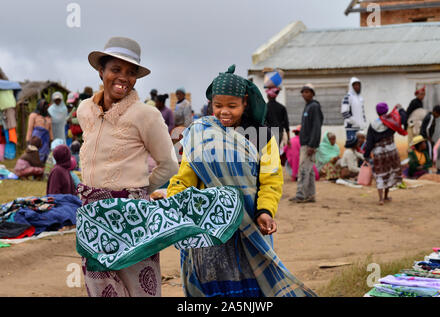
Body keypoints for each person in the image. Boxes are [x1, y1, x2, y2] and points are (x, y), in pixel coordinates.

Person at [167, 65, 315, 297]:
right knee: (212, 288)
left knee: (254, 289)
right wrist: (173, 200)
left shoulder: (262, 137)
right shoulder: (200, 133)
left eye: (232, 106)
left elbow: (271, 180)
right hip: (209, 230)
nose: (224, 111)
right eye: (218, 105)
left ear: (245, 103)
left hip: (250, 226)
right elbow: (185, 176)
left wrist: (265, 211)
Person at [76, 36, 179, 297]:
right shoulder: (85, 109)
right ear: (101, 71)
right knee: (100, 286)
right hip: (92, 217)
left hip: (132, 218)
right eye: (116, 70)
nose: (123, 78)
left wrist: (136, 193)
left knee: (138, 287)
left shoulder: (146, 115)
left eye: (131, 73)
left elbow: (169, 165)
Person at [364, 103, 406, 205]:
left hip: (379, 153)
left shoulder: (373, 125)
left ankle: (381, 199)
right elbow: (404, 119)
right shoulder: (391, 121)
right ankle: (386, 196)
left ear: (377, 111)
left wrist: (366, 155)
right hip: (391, 151)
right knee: (390, 173)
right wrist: (400, 109)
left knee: (380, 174)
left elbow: (369, 142)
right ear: (386, 110)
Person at [289, 84, 323, 203]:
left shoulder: (314, 107)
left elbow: (316, 127)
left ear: (313, 94)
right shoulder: (308, 107)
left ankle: (301, 195)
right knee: (310, 171)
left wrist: (312, 145)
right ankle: (310, 195)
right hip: (306, 143)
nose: (305, 94)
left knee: (303, 170)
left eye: (308, 92)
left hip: (309, 145)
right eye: (303, 92)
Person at [341, 77, 367, 142]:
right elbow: (344, 112)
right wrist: (353, 121)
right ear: (351, 86)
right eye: (355, 85)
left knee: (360, 148)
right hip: (351, 129)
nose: (357, 87)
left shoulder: (360, 98)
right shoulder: (347, 97)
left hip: (360, 128)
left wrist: (363, 123)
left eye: (359, 85)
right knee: (352, 147)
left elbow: (362, 113)